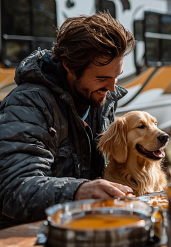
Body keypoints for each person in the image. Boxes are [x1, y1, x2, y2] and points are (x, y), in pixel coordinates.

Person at [0, 12, 136, 229]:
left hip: (87, 227)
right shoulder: (28, 104)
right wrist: (77, 191)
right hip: (29, 234)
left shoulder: (102, 99)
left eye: (116, 76)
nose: (111, 89)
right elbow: (14, 188)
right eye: (102, 78)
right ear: (69, 67)